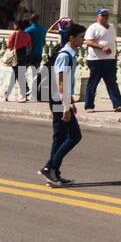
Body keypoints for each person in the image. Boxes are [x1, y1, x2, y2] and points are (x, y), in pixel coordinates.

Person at [40, 22, 86, 187]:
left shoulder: (69, 54)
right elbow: (61, 83)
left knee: (59, 137)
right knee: (74, 136)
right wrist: (66, 106)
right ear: (71, 38)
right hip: (58, 100)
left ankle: (54, 173)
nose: (83, 40)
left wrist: (70, 100)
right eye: (81, 37)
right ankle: (49, 167)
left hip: (59, 99)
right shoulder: (65, 55)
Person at [84, 8, 121, 112]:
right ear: (98, 16)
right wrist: (102, 47)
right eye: (103, 15)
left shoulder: (112, 27)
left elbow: (113, 42)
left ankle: (118, 105)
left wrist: (115, 54)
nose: (105, 17)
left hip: (110, 60)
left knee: (112, 82)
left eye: (107, 15)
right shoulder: (93, 27)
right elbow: (88, 42)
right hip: (96, 60)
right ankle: (89, 106)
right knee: (93, 83)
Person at [2, 19, 33, 102]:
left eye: (14, 24)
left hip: (15, 56)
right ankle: (21, 93)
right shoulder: (27, 35)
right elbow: (29, 46)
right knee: (17, 75)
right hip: (23, 56)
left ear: (17, 25)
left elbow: (9, 45)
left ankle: (10, 93)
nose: (13, 26)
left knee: (17, 75)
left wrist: (8, 43)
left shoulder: (14, 34)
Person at [23, 15, 47, 101]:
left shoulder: (28, 30)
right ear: (38, 20)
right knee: (36, 74)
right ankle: (35, 94)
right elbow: (44, 42)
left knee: (22, 72)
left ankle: (26, 90)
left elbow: (25, 43)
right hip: (38, 53)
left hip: (29, 54)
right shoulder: (43, 30)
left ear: (30, 21)